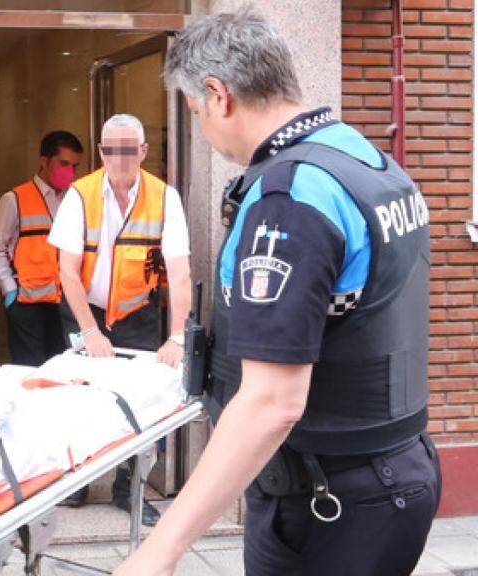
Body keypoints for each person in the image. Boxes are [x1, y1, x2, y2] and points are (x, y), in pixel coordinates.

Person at [115, 8, 439, 576]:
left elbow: (273, 401)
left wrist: (158, 552)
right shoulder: (364, 159)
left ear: (218, 95)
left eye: (195, 112)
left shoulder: (290, 200)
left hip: (328, 502)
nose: (205, 130)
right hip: (390, 473)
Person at [48, 114, 192, 525]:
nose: (120, 158)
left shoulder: (165, 198)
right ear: (101, 152)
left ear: (143, 152)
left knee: (138, 402)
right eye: (112, 149)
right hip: (85, 309)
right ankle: (75, 480)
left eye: (129, 149)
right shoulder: (80, 194)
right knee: (78, 394)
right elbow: (68, 271)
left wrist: (178, 338)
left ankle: (127, 487)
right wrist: (90, 332)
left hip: (136, 311)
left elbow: (180, 272)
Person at [0, 131, 83, 366]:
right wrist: (9, 291)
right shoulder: (14, 199)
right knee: (28, 370)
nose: (69, 172)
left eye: (74, 166)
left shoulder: (74, 200)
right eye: (63, 164)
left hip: (64, 302)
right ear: (44, 161)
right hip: (27, 303)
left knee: (61, 368)